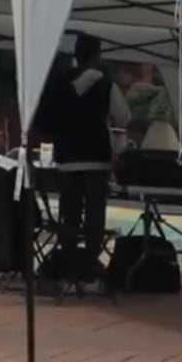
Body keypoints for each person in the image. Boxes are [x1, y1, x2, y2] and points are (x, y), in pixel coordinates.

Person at [41, 33, 130, 279]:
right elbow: (123, 117)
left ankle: (68, 259)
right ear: (96, 56)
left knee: (69, 212)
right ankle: (90, 262)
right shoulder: (106, 84)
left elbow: (46, 116)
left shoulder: (59, 82)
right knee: (94, 213)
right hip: (96, 157)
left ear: (76, 56)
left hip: (66, 157)